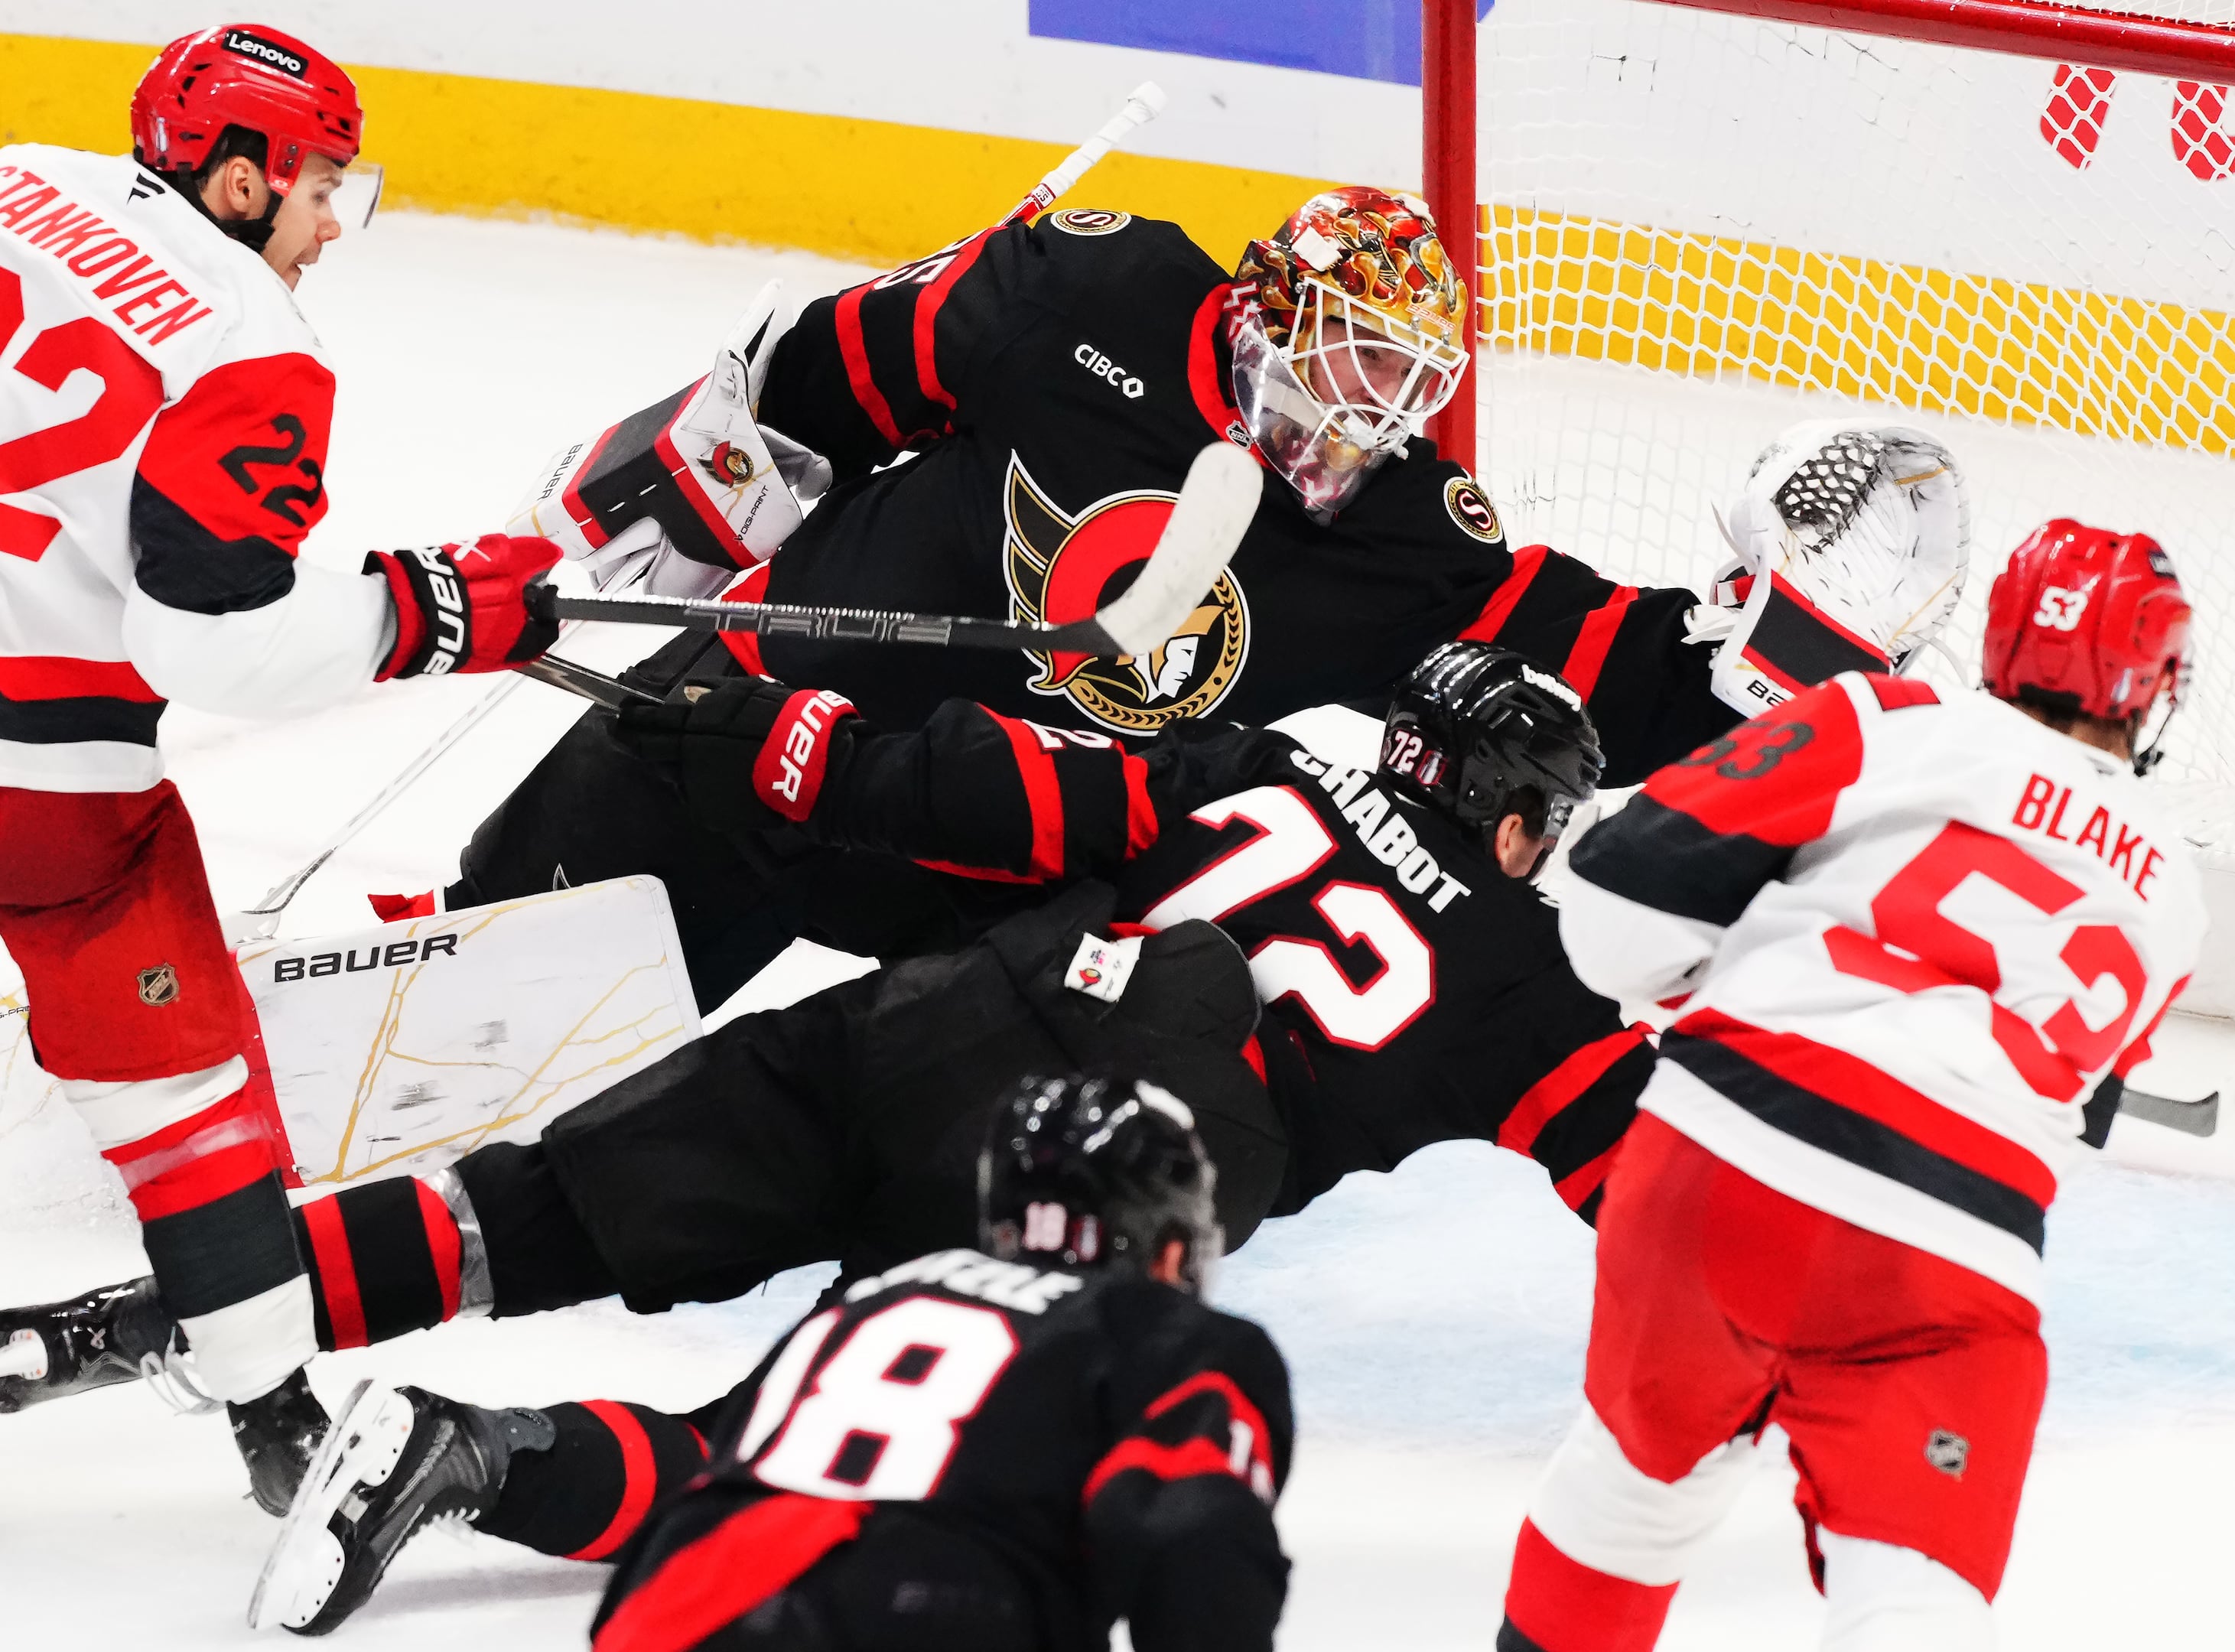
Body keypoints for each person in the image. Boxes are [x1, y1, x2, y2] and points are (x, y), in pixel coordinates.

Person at [0, 643, 1645, 1597]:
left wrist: (769, 742)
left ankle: (117, 1321)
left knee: (522, 1214)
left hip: (940, 1016)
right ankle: (468, 1457)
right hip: (1088, 1183)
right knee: (779, 1457)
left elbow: (995, 792)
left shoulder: (1258, 767)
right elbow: (1650, 1177)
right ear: (1508, 818)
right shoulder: (1536, 976)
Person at [452, 171, 1974, 1011]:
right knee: (470, 1017)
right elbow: (830, 372)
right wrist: (680, 490)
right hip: (770, 733)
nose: (1372, 411)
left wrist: (1762, 658)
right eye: (1354, 357)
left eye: (1407, 384)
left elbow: (1586, 658)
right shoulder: (1087, 299)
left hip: (983, 875)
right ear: (1264, 309)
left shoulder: (1393, 529)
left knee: (970, 1092)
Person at [1492, 519, 2210, 1651]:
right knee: (1912, 1592)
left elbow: (1613, 903)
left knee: (1629, 1492)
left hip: (1713, 1157)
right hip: (1943, 1239)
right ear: (2151, 685)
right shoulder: (2174, 899)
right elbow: (2082, 1111)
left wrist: (1721, 983)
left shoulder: (1886, 716)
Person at [0, 22, 564, 1447]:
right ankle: (275, 1421)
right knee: (183, 1084)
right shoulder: (254, 347)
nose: (329, 227)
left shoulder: (16, 179)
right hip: (42, 794)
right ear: (241, 178)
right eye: (322, 187)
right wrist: (423, 616)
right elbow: (212, 642)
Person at [253, 1073, 1294, 1648]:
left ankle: (491, 1450)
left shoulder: (885, 1298)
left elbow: (712, 1484)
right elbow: (1194, 1537)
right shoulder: (1178, 1341)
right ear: (1165, 1236)